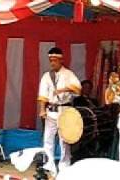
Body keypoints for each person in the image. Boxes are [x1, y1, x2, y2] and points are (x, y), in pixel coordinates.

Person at [38, 47, 81, 177]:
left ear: (61, 60)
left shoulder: (69, 74)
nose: (52, 62)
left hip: (65, 110)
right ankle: (49, 166)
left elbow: (78, 89)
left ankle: (64, 167)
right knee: (48, 140)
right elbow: (43, 95)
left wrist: (63, 89)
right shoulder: (46, 76)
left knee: (64, 140)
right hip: (51, 110)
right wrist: (42, 110)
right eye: (51, 60)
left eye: (55, 60)